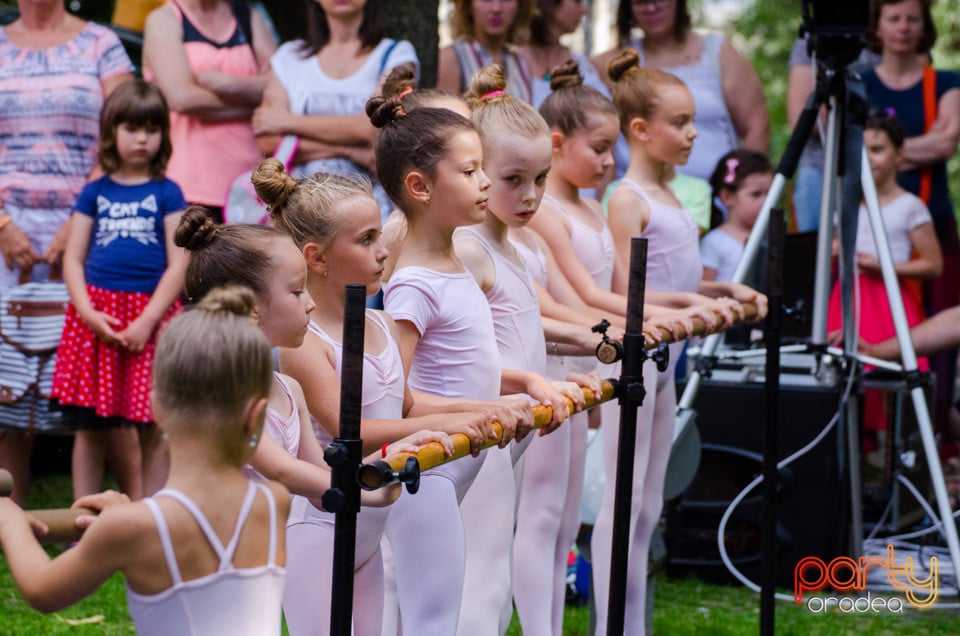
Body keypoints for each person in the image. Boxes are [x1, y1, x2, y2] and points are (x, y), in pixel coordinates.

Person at [248, 160, 501, 636]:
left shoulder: (381, 323)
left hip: (368, 522)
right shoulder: (305, 343)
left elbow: (403, 406)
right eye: (366, 240)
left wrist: (482, 409)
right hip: (318, 528)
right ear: (317, 258)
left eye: (379, 237)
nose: (383, 252)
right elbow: (351, 434)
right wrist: (442, 428)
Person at [0, 286, 291, 635]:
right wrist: (128, 515)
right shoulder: (274, 502)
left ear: (156, 408)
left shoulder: (133, 528)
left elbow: (40, 590)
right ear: (256, 413)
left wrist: (9, 517)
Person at [600, 51, 767, 634]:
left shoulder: (674, 195)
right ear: (641, 131)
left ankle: (634, 623)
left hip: (669, 360)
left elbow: (676, 281)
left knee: (649, 503)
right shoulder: (627, 200)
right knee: (623, 500)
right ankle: (609, 625)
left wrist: (723, 289)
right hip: (639, 361)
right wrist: (702, 305)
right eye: (681, 122)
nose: (695, 132)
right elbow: (627, 295)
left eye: (695, 120)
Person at [367, 91, 542, 633]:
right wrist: (475, 412)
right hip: (428, 472)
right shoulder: (415, 284)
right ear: (420, 188)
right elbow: (395, 394)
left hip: (453, 463)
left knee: (436, 609)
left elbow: (476, 361)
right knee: (429, 615)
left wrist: (499, 399)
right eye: (470, 171)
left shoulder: (454, 264)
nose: (486, 182)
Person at [454, 64, 597, 635]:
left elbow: (540, 319)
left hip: (510, 432)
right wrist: (532, 382)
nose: (532, 194)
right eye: (514, 179)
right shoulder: (467, 249)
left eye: (540, 177)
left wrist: (605, 339)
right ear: (476, 171)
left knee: (490, 571)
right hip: (478, 432)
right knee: (482, 576)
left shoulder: (510, 246)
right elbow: (467, 359)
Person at [0, 0, 134, 505]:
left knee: (102, 380)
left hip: (90, 228)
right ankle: (9, 519)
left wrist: (77, 224)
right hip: (6, 239)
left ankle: (139, 515)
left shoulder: (102, 44)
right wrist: (4, 224)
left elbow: (123, 136)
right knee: (10, 378)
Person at [51, 80, 187, 502]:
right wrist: (89, 313)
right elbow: (72, 259)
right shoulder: (95, 192)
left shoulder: (169, 192)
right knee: (90, 429)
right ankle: (83, 517)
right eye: (131, 127)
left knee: (152, 426)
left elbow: (179, 261)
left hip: (153, 319)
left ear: (164, 133)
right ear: (111, 133)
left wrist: (148, 321)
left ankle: (153, 517)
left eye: (151, 128)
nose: (142, 137)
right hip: (96, 320)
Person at [861, 0, 960, 450]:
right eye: (894, 17)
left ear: (924, 27)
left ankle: (930, 439)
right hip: (871, 222)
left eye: (913, 18)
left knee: (939, 334)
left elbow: (945, 144)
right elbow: (841, 148)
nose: (903, 27)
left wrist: (884, 151)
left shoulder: (945, 81)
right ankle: (874, 443)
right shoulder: (858, 81)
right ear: (877, 26)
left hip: (929, 221)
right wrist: (912, 147)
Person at [827, 109, 941, 458]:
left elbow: (933, 264)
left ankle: (889, 461)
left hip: (889, 300)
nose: (867, 158)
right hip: (847, 299)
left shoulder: (910, 206)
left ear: (899, 154)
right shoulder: (844, 203)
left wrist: (884, 266)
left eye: (876, 149)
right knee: (840, 374)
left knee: (890, 381)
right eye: (860, 149)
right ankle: (850, 461)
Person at [252, 0, 416, 220]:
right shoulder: (288, 57)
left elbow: (370, 129)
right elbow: (269, 141)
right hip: (300, 210)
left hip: (373, 209)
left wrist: (286, 121)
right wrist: (351, 151)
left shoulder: (396, 54)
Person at [590, 0, 769, 182]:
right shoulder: (611, 65)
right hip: (641, 198)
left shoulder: (718, 53)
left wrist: (738, 186)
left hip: (718, 200)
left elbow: (757, 127)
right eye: (640, 2)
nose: (652, 7)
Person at [142, 0, 277, 223]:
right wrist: (252, 103)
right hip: (190, 186)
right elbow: (183, 98)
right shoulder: (165, 19)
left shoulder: (246, 14)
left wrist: (229, 84)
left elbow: (280, 82)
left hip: (255, 187)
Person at [785, 35, 880, 232]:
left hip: (871, 167)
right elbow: (800, 120)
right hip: (818, 166)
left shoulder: (881, 32)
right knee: (811, 245)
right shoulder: (810, 41)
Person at [437, 0, 536, 103]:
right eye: (486, 0)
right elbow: (446, 116)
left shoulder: (522, 63)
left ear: (520, 6)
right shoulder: (452, 57)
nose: (496, 8)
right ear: (468, 5)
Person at [701, 149, 773, 282]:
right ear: (727, 197)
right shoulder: (714, 243)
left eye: (769, 193)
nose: (766, 201)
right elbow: (704, 288)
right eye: (756, 194)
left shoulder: (771, 237)